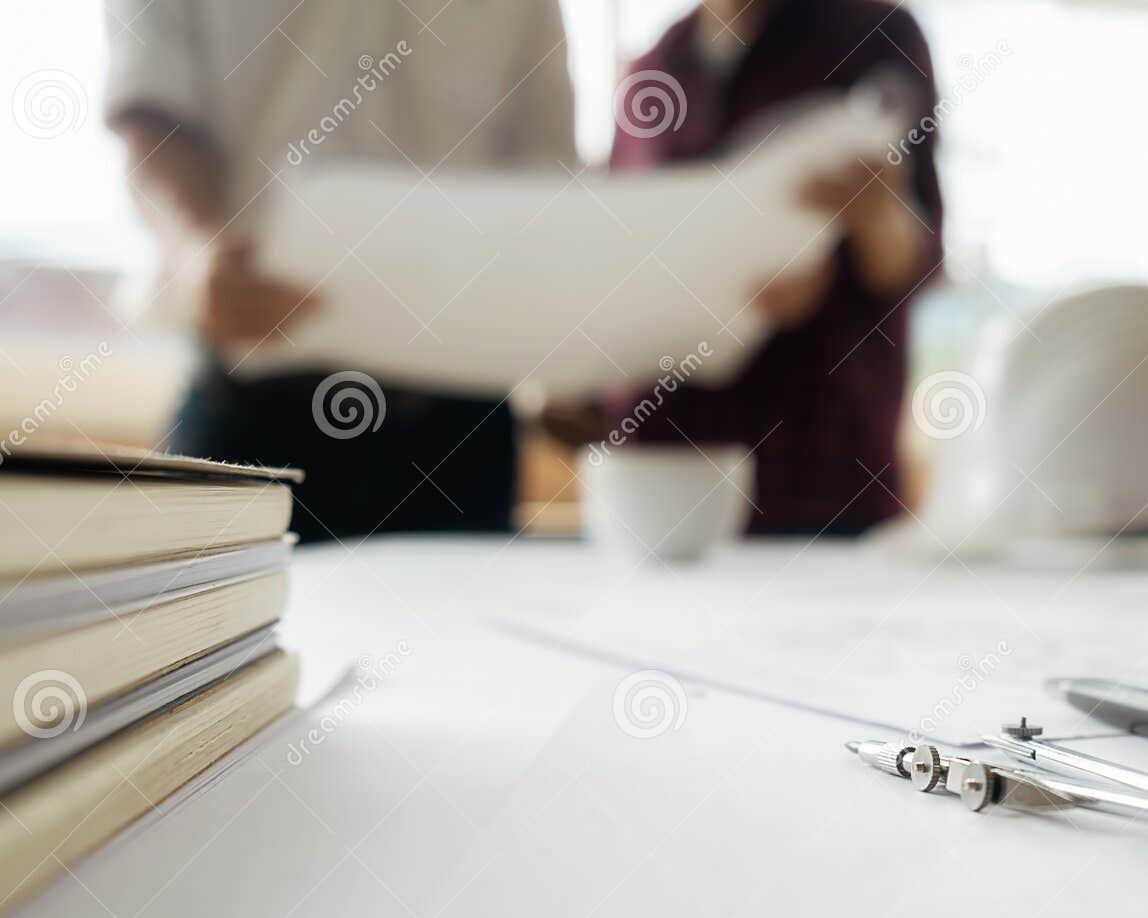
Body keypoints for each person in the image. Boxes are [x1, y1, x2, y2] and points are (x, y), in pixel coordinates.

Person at [103, 0, 576, 541]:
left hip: (460, 426)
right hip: (254, 401)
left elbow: (548, 170)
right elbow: (150, 111)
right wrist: (196, 248)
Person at [588, 0, 944, 536]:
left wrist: (873, 218)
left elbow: (920, 259)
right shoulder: (655, 65)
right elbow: (617, 243)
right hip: (663, 472)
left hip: (823, 467)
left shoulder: (876, 34)